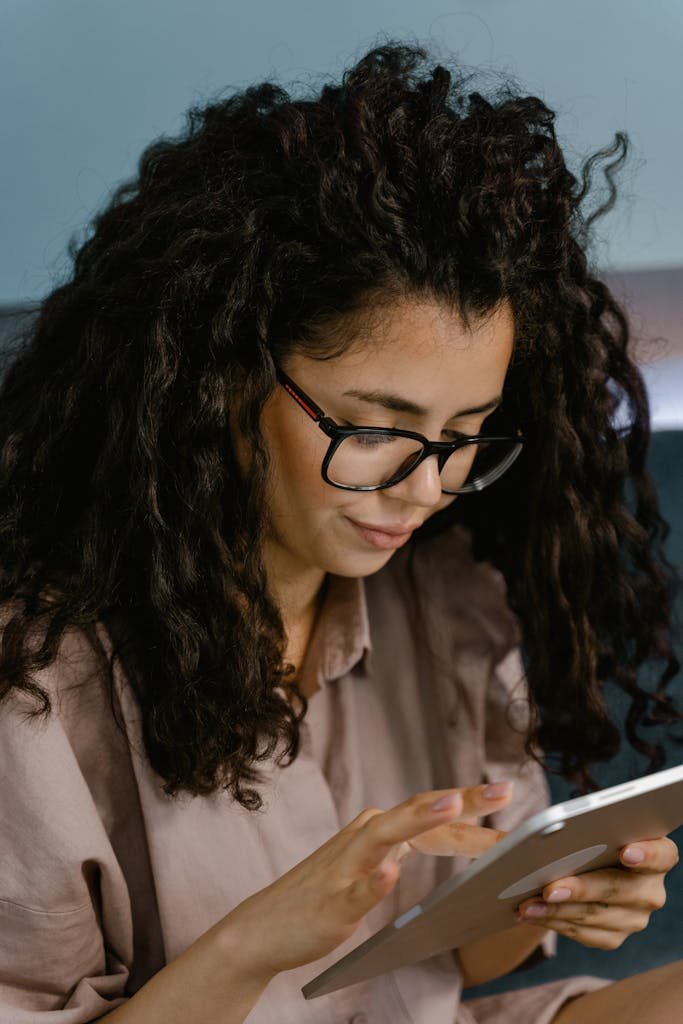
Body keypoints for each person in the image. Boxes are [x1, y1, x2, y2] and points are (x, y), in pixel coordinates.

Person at [0, 41, 680, 1024]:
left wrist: (554, 895)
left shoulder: (446, 596)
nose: (426, 487)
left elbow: (456, 969)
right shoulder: (40, 678)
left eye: (463, 436)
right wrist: (258, 941)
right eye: (374, 429)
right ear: (224, 375)